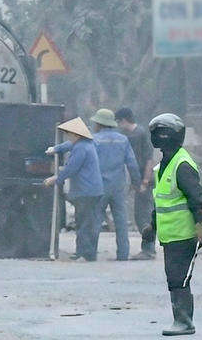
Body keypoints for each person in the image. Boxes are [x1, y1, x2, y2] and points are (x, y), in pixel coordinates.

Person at [140, 113, 202, 336]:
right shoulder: (166, 164)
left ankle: (184, 322)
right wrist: (153, 226)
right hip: (171, 235)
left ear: (163, 136)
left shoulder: (181, 165)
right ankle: (181, 320)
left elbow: (196, 197)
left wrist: (201, 225)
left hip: (184, 233)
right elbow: (163, 201)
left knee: (179, 276)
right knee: (174, 276)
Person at [51, 109, 140, 260]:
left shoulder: (93, 139)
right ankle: (123, 254)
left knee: (95, 220)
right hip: (118, 186)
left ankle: (90, 253)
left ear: (99, 124)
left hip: (99, 186)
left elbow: (72, 144)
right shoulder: (123, 140)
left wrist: (56, 149)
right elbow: (131, 163)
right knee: (120, 221)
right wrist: (136, 182)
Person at [43, 117, 103, 261]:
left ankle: (86, 254)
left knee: (84, 224)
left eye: (69, 134)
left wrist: (56, 179)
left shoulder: (81, 148)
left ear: (76, 134)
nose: (68, 137)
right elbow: (68, 145)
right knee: (86, 222)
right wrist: (56, 149)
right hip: (92, 190)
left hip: (86, 191)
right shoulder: (83, 143)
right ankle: (84, 252)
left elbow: (72, 168)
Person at [116, 107, 157, 259]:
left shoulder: (140, 134)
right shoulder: (128, 135)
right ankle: (147, 248)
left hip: (144, 180)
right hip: (137, 180)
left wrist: (145, 181)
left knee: (144, 215)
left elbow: (148, 159)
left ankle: (149, 249)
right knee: (139, 215)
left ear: (123, 121)